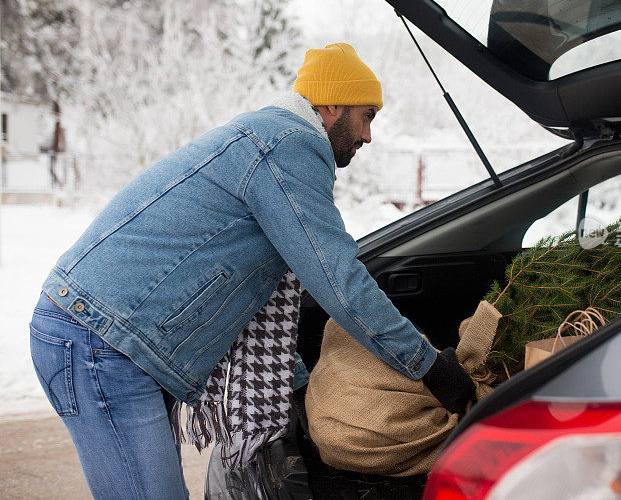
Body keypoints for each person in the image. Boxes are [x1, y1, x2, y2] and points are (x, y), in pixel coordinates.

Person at [29, 43, 475, 499]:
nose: (368, 135)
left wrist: (299, 391)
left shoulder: (270, 140)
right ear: (332, 105)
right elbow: (338, 280)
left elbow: (260, 298)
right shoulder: (288, 145)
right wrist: (430, 367)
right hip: (96, 341)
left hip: (104, 335)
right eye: (367, 116)